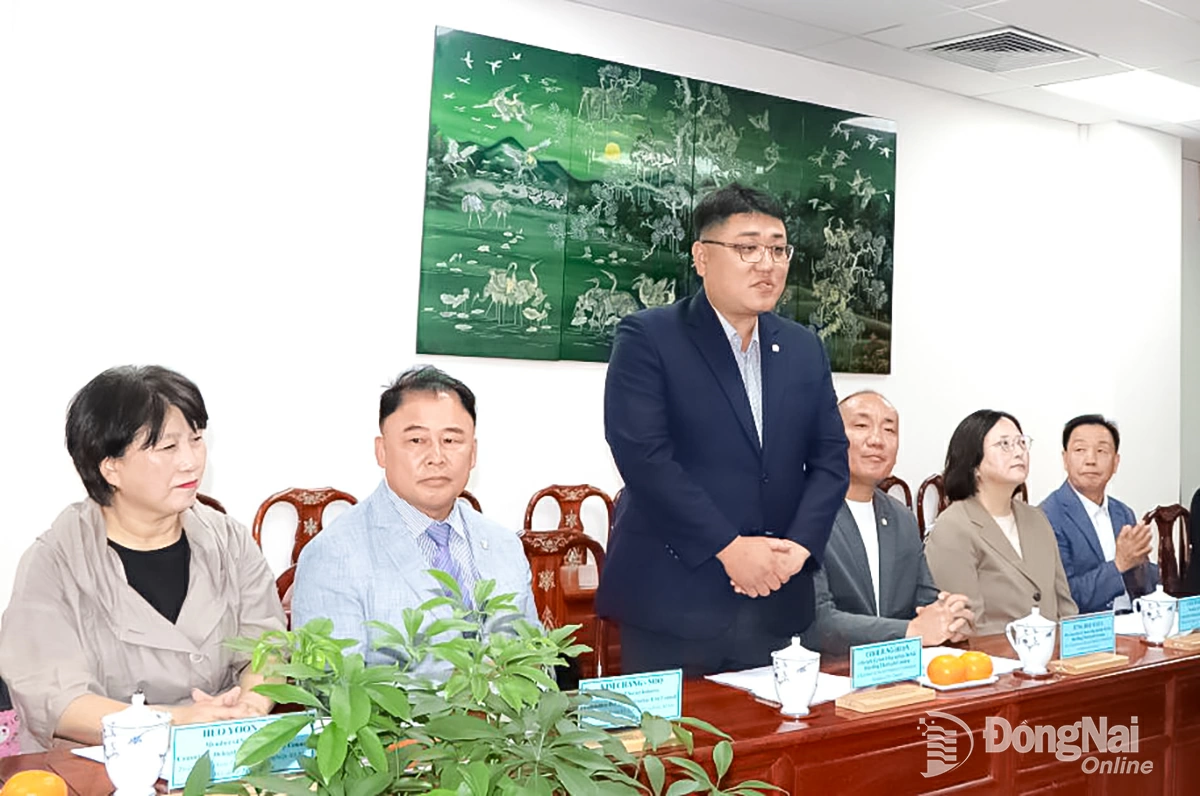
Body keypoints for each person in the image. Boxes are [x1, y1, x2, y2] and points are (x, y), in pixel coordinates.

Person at [597, 183, 850, 676]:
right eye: (747, 247)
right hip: (675, 602)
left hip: (781, 601)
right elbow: (644, 456)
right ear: (701, 257)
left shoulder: (803, 348)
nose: (767, 263)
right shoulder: (649, 337)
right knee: (671, 751)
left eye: (778, 248)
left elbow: (831, 458)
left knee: (785, 748)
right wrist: (728, 548)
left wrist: (798, 547)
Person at [0, 366, 285, 751]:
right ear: (111, 467)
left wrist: (249, 706)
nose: (191, 461)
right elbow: (58, 702)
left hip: (220, 757)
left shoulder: (229, 541)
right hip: (99, 767)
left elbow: (266, 648)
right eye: (168, 448)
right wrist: (180, 721)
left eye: (196, 440)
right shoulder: (53, 564)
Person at [291, 366, 539, 676]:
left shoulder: (505, 545)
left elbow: (538, 665)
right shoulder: (333, 555)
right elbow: (333, 694)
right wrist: (459, 698)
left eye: (451, 440)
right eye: (417, 440)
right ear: (381, 451)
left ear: (473, 453)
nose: (436, 456)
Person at [806, 391, 974, 653]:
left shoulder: (901, 517)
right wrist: (912, 631)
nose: (877, 440)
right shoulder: (803, 511)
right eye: (861, 425)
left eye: (889, 430)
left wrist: (950, 618)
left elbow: (925, 600)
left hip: (895, 674)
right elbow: (816, 620)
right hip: (826, 673)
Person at [925, 410, 1077, 635]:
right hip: (994, 662)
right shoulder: (953, 527)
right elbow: (966, 625)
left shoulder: (1037, 518)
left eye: (1021, 442)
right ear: (974, 463)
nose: (1018, 452)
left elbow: (1064, 604)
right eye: (1004, 444)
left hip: (1054, 660)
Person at [1040, 414, 1157, 613]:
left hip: (1133, 623)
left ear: (1116, 462)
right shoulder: (1048, 515)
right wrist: (1120, 564)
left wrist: (1143, 566)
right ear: (1065, 459)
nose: (1091, 460)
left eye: (1102, 451)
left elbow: (1144, 586)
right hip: (1088, 633)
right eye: (1080, 450)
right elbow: (1064, 598)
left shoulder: (1122, 512)